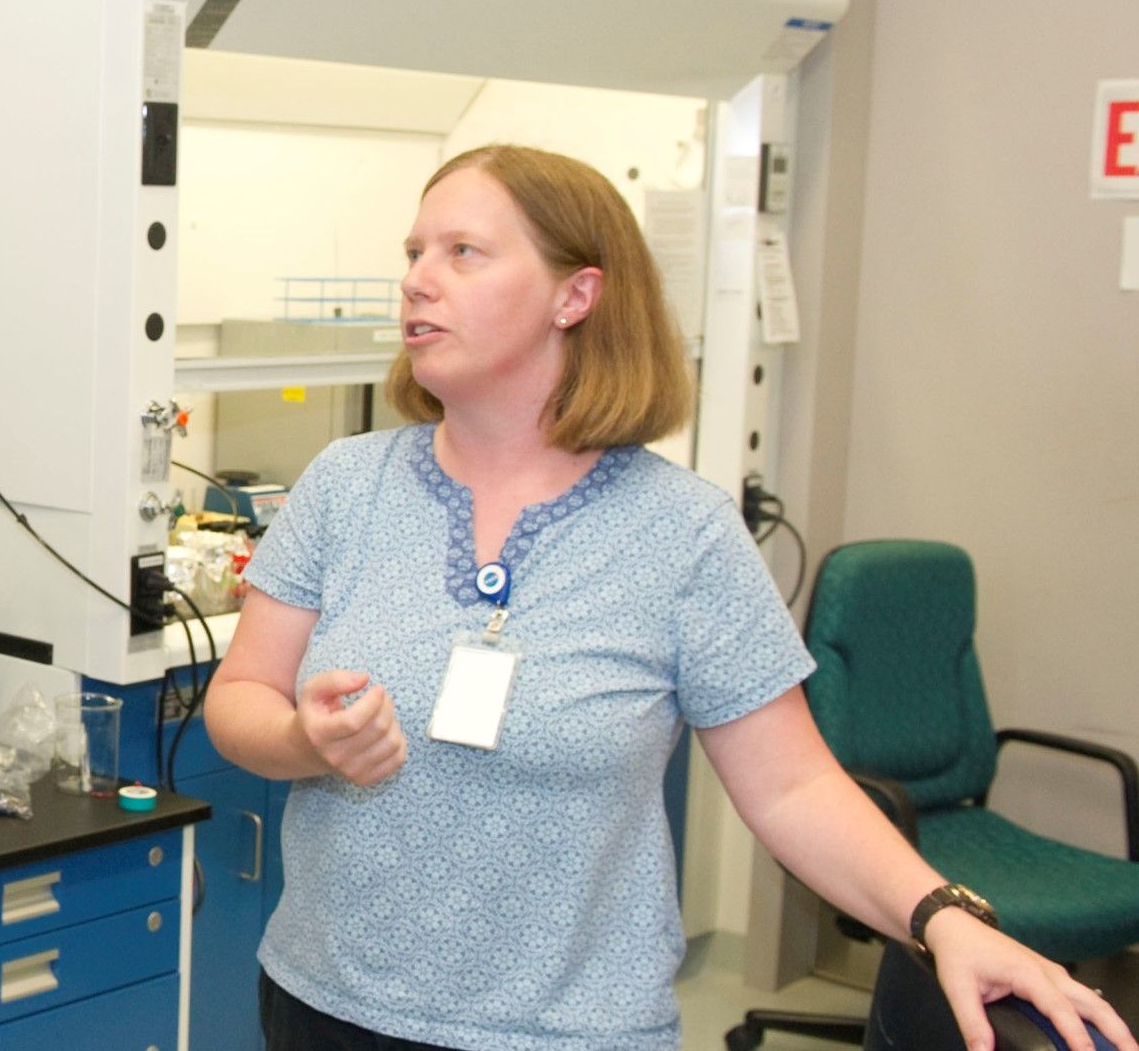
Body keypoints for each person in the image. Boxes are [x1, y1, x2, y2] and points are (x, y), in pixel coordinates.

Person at [203, 145, 1134, 1051]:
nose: (416, 279)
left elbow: (795, 784)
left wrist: (943, 917)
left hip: (567, 1033)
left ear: (576, 294)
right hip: (326, 1007)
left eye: (463, 252)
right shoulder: (346, 484)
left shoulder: (681, 532)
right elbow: (241, 695)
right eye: (413, 252)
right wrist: (300, 741)